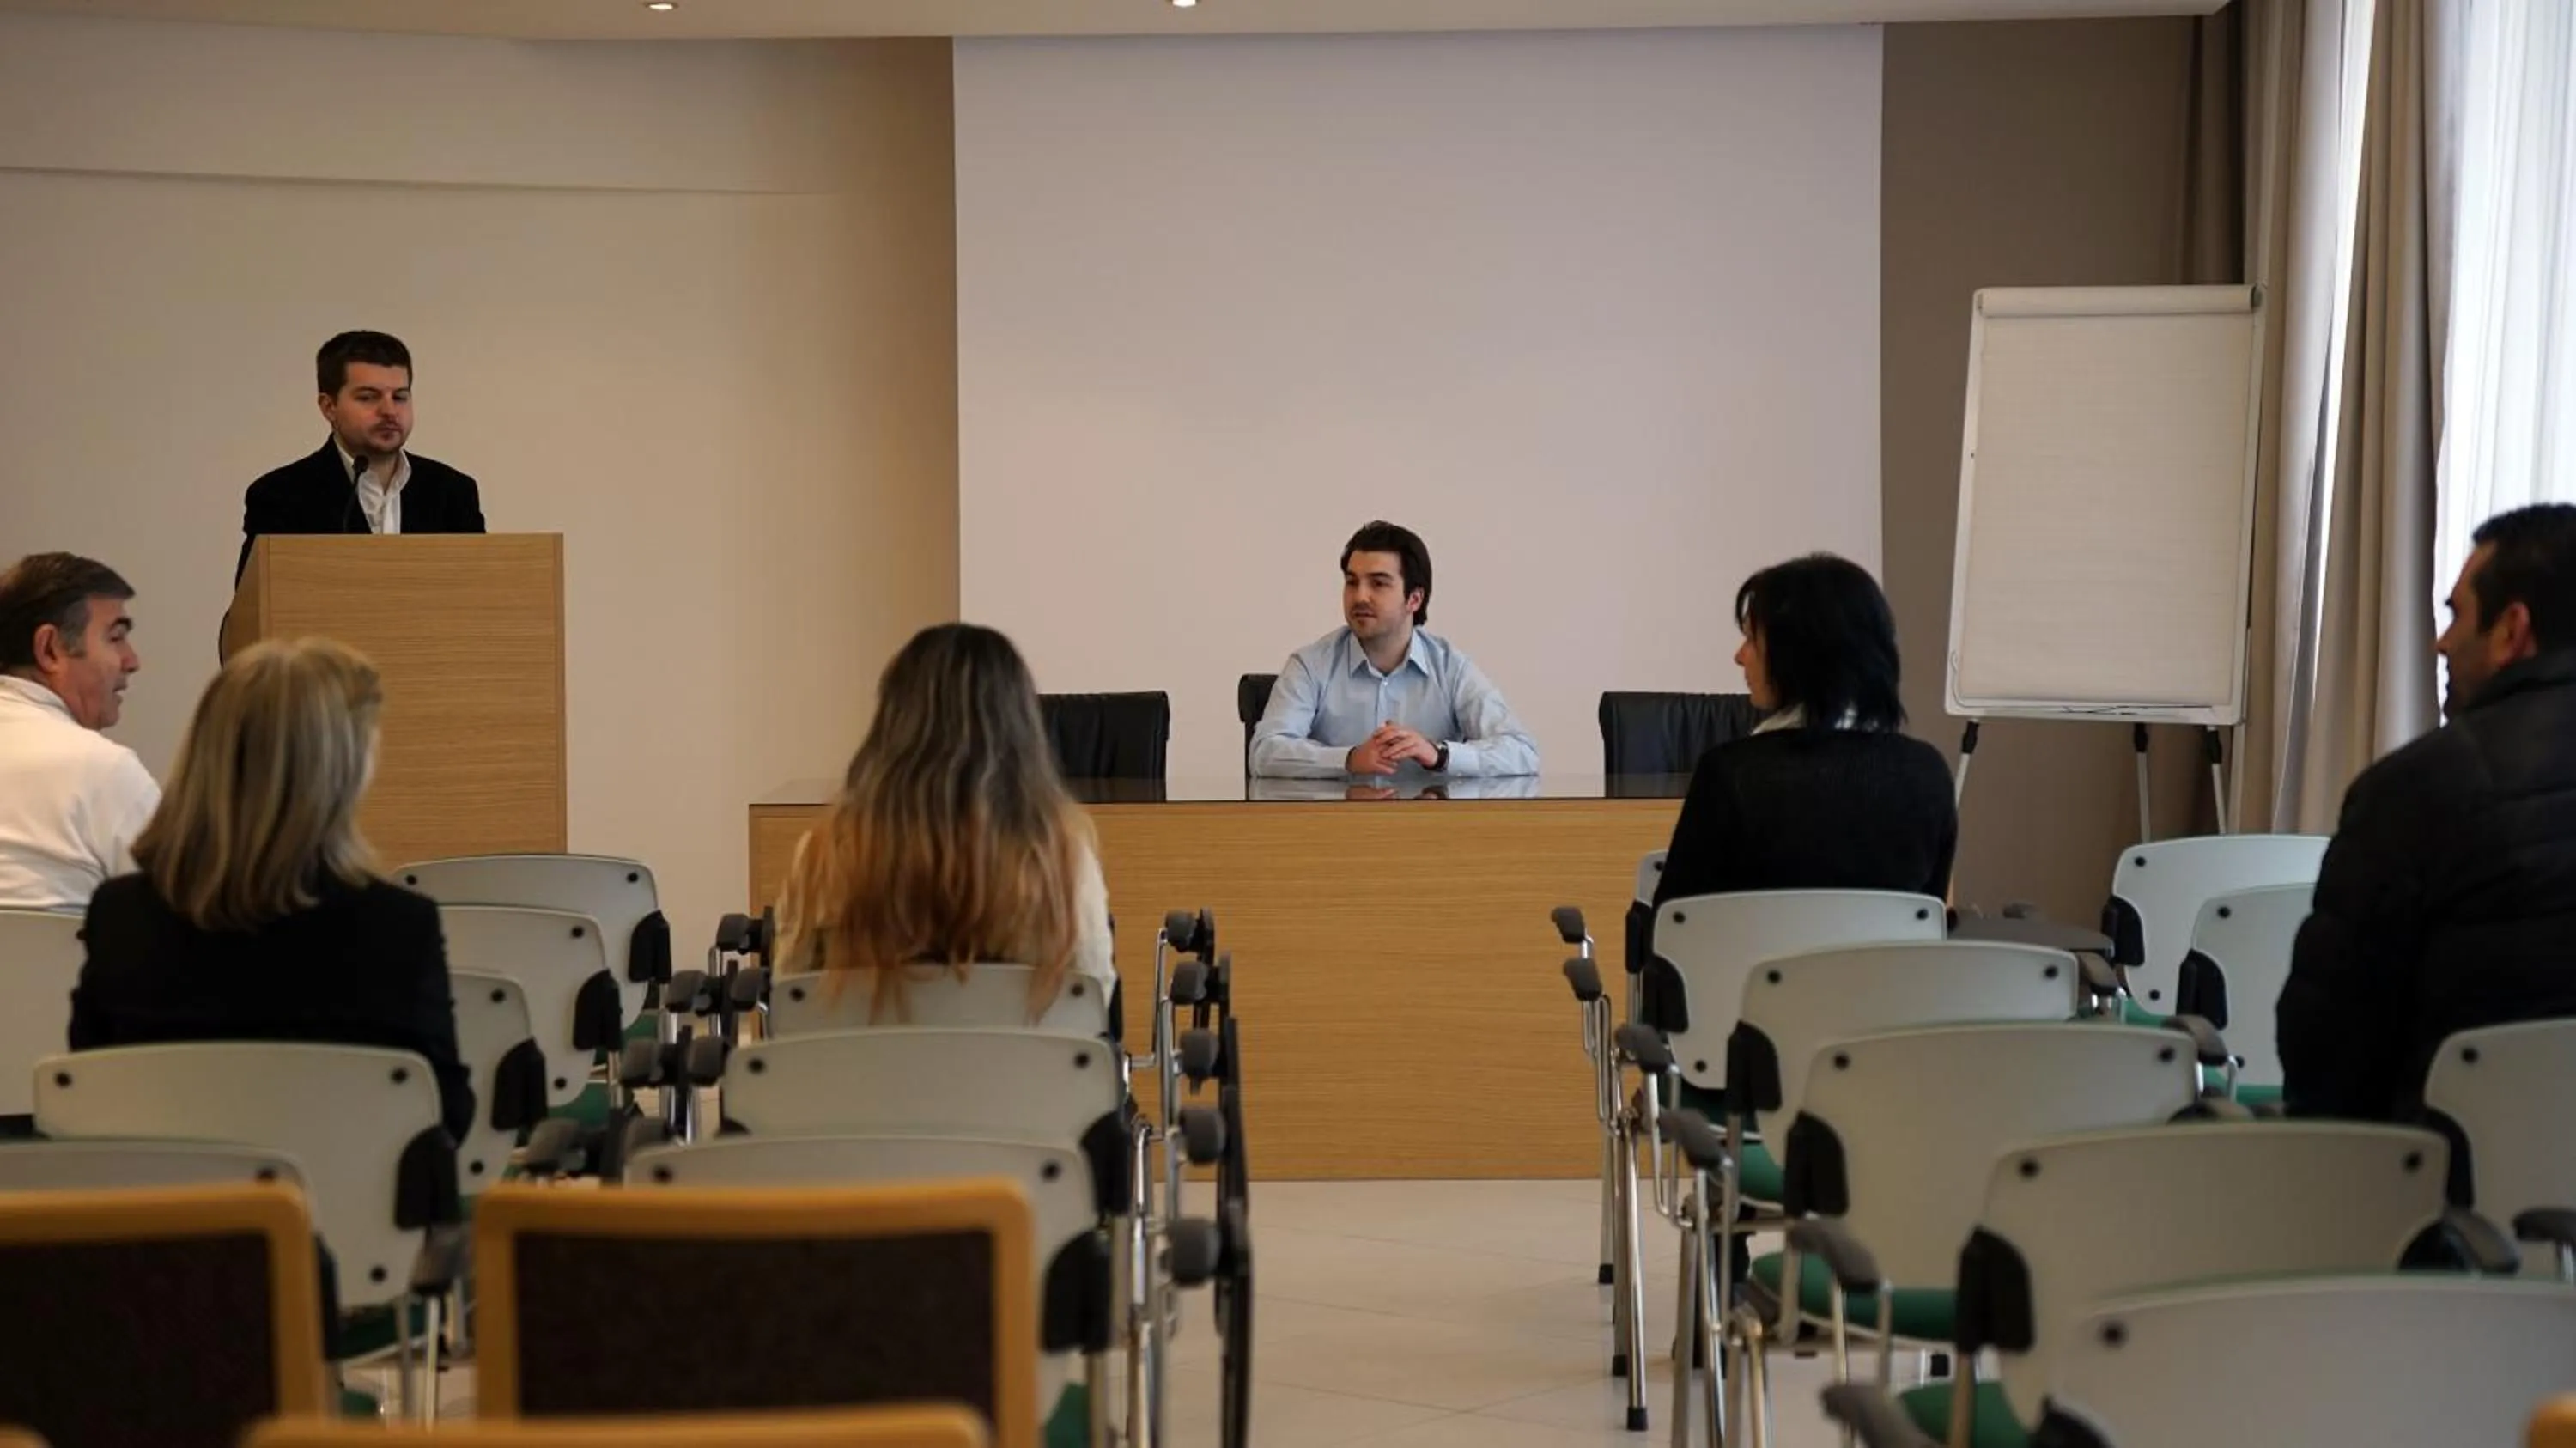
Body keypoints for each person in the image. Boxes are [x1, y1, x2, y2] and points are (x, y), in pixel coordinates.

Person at [70, 638, 474, 1142]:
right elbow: (445, 1114)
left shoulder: (121, 916)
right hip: (343, 1217)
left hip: (164, 1214)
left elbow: (85, 1097)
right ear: (342, 772)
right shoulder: (398, 927)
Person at [2279, 503, 2576, 1123]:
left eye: (2457, 615)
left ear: (2511, 631)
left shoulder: (2411, 793)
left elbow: (2326, 1047)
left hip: (2441, 1187)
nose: (2441, 642)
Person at [775, 623, 1116, 1019]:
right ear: (1022, 729)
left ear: (894, 723)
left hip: (862, 1080)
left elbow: (789, 1000)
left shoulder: (825, 855)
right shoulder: (1061, 860)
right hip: (1017, 1081)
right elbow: (1092, 1000)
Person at [1652, 554, 1956, 908]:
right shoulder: (1928, 773)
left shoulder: (1731, 775)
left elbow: (1674, 926)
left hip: (1748, 965)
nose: (1739, 656)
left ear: (1797, 654)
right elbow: (1930, 923)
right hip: (1885, 966)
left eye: (1751, 639)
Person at [1249, 520, 1540, 779]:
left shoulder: (1451, 668)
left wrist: (1439, 755)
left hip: (1428, 831)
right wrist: (1348, 759)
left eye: (1378, 583)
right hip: (1335, 831)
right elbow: (1265, 752)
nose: (1360, 596)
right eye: (1352, 582)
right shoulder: (1311, 665)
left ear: (1414, 599)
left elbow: (1521, 751)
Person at [236, 331, 486, 585]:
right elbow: (252, 611)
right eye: (368, 397)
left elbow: (479, 592)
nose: (389, 411)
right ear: (329, 407)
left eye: (400, 397)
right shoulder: (280, 495)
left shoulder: (452, 492)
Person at [0, 553, 158, 910]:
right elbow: (182, 927)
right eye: (115, 637)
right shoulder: (103, 771)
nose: (132, 661)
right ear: (50, 649)